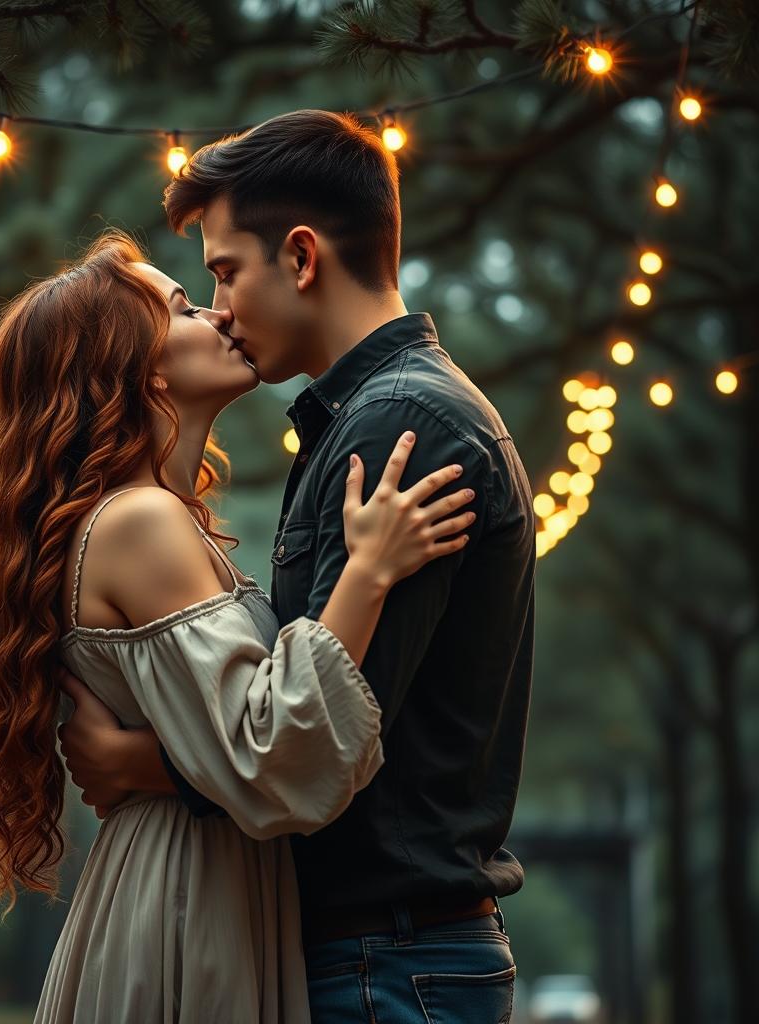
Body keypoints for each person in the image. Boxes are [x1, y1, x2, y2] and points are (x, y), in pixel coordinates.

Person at [57, 109, 537, 1023]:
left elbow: (315, 748)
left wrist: (145, 766)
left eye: (226, 273)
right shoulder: (358, 421)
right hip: (376, 955)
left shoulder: (401, 427)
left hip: (389, 958)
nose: (222, 309)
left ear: (304, 258)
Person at [0, 227, 477, 1023]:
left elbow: (227, 742)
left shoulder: (162, 521)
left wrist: (141, 763)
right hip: (186, 905)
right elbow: (267, 757)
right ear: (132, 365)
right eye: (185, 306)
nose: (221, 315)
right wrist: (368, 571)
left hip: (197, 881)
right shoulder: (140, 523)